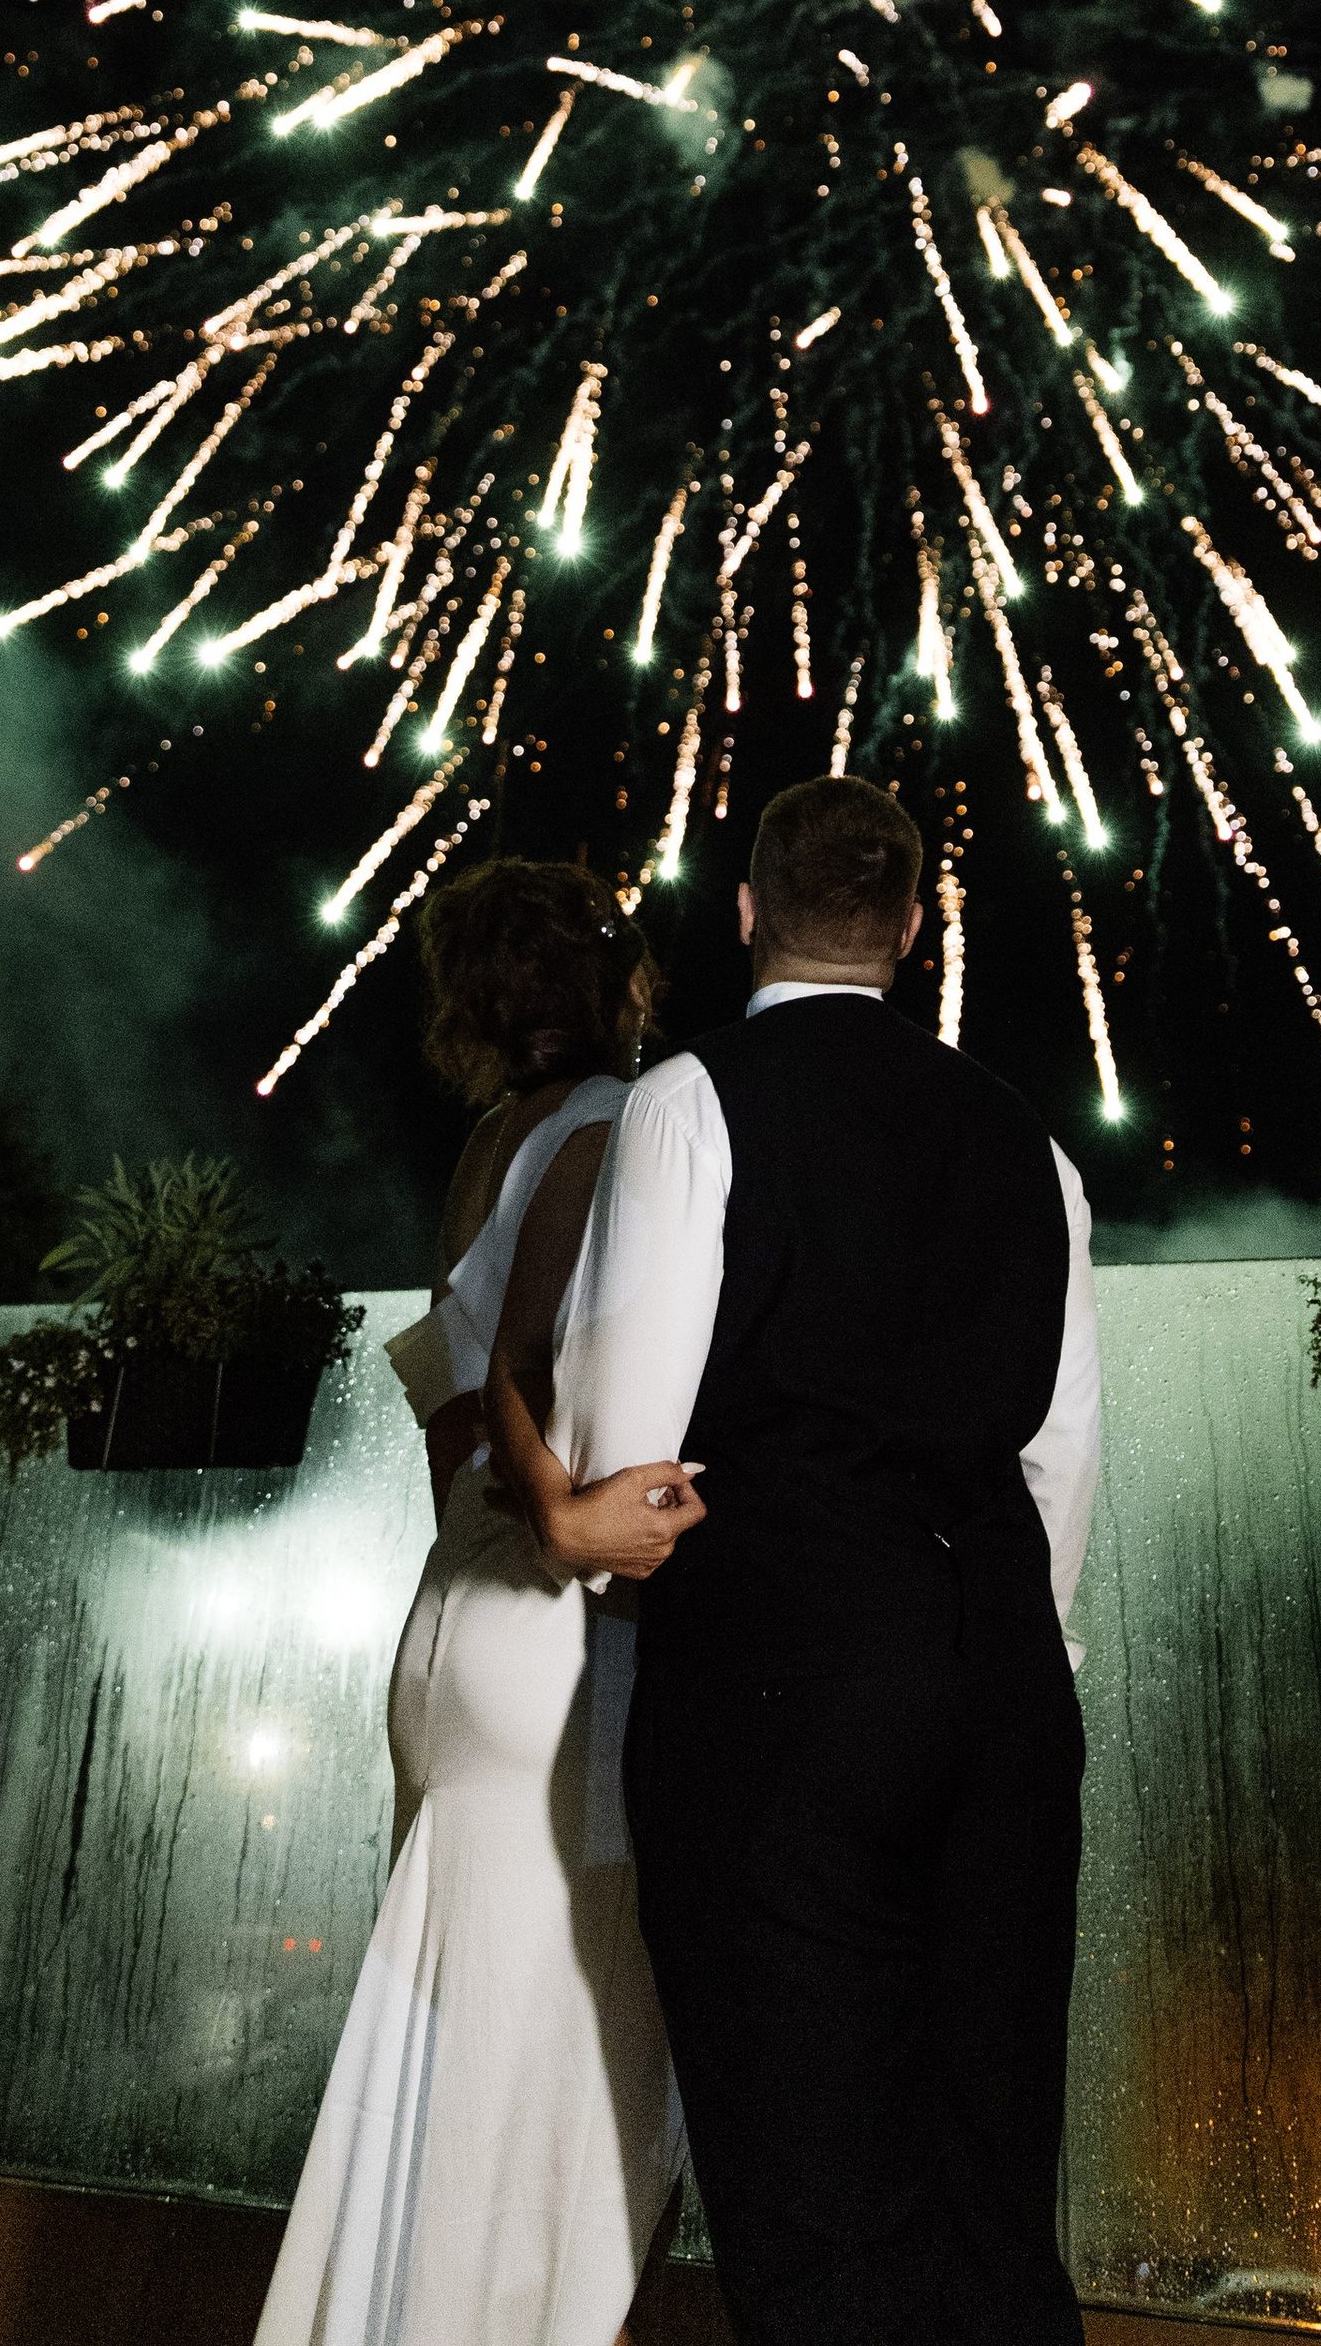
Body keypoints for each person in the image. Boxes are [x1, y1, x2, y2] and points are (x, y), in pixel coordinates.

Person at [493, 777, 1101, 2346]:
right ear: (910, 928)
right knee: (990, 2168)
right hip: (1007, 1684)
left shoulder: (693, 1100)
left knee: (813, 2180)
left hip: (787, 1674)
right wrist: (1012, 1658)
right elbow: (1060, 1456)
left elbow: (640, 1458)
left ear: (747, 913)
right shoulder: (1031, 1140)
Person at [256, 858, 706, 2346]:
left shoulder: (486, 1146)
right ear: (612, 970)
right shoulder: (612, 1128)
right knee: (566, 2058)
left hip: (448, 1624)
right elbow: (526, 1381)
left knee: (445, 2030)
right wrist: (575, 1515)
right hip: (552, 1628)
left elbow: (449, 1396)